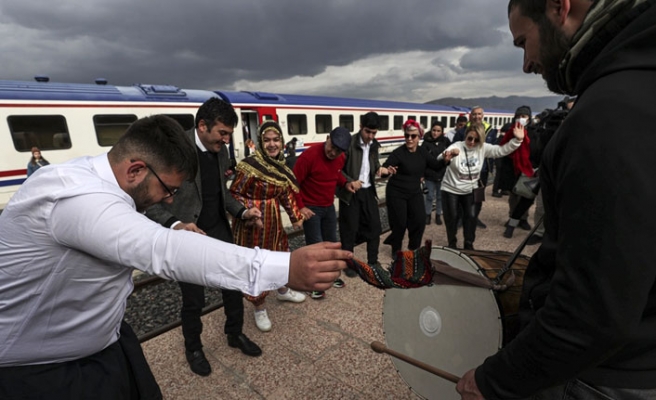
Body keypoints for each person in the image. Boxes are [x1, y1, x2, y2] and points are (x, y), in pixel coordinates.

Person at [0, 114, 352, 399]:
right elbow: (163, 252)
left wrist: (171, 227)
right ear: (136, 170)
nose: (170, 199)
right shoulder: (76, 198)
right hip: (44, 371)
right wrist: (284, 267)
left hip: (103, 342)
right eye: (167, 189)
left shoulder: (96, 178)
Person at [457, 0, 656, 398]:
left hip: (606, 375)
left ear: (558, 8)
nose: (527, 63)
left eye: (522, 43)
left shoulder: (609, 113)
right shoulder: (640, 84)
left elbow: (593, 312)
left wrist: (495, 379)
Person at [146, 98, 265, 377]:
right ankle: (194, 348)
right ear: (202, 126)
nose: (226, 140)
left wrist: (243, 212)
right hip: (188, 236)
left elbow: (220, 194)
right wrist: (176, 224)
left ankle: (234, 334)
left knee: (233, 286)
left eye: (228, 135)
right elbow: (149, 201)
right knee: (194, 300)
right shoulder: (173, 151)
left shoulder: (220, 151)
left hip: (219, 230)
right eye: (222, 133)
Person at [230, 121, 307, 332]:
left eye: (276, 140)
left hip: (273, 221)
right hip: (252, 223)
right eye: (267, 140)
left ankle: (282, 290)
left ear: (282, 141)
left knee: (279, 255)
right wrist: (248, 212)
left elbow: (284, 194)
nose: (272, 144)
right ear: (260, 143)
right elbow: (234, 193)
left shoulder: (280, 166)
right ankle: (259, 306)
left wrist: (295, 216)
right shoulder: (249, 165)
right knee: (257, 263)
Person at [293, 127, 359, 299]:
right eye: (332, 146)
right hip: (311, 208)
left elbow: (335, 175)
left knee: (331, 244)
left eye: (338, 151)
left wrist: (345, 183)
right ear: (327, 138)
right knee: (315, 247)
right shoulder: (309, 156)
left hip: (328, 206)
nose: (333, 152)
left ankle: (330, 276)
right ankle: (313, 283)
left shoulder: (340, 158)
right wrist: (300, 207)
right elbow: (292, 184)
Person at [441, 122, 522, 250]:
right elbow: (441, 156)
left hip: (471, 189)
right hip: (451, 189)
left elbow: (501, 151)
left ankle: (469, 243)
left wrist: (517, 140)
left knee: (472, 216)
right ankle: (452, 242)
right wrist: (448, 156)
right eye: (469, 138)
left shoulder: (483, 148)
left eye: (476, 139)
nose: (472, 142)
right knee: (452, 217)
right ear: (465, 136)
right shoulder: (457, 146)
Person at [382, 120, 452, 256]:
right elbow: (387, 165)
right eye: (407, 135)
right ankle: (396, 249)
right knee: (400, 224)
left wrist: (445, 160)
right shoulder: (398, 153)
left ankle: (413, 249)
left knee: (419, 222)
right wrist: (386, 170)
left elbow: (435, 165)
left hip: (414, 192)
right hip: (396, 192)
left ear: (419, 137)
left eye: (413, 136)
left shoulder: (422, 152)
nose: (409, 139)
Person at [337, 112, 393, 273]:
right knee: (349, 229)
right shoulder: (349, 144)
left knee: (375, 227)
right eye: (367, 131)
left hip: (368, 191)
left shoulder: (374, 145)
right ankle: (349, 263)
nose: (370, 136)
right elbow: (337, 169)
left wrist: (382, 170)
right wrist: (348, 181)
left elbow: (374, 166)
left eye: (374, 133)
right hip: (351, 192)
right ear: (360, 127)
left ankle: (373, 262)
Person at [495, 105, 536, 238]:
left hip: (527, 166)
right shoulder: (510, 131)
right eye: (519, 116)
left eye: (523, 116)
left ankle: (523, 218)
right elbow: (503, 146)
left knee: (525, 193)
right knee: (513, 194)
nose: (521, 119)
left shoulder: (533, 132)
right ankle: (512, 216)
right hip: (511, 167)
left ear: (529, 118)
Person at [421, 121, 451, 225]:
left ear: (442, 132)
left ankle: (438, 215)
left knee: (440, 196)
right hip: (429, 174)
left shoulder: (446, 142)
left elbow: (450, 156)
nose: (435, 133)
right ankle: (427, 215)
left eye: (438, 131)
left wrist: (447, 161)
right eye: (434, 130)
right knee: (429, 196)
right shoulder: (426, 143)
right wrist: (422, 174)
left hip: (442, 174)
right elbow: (422, 160)